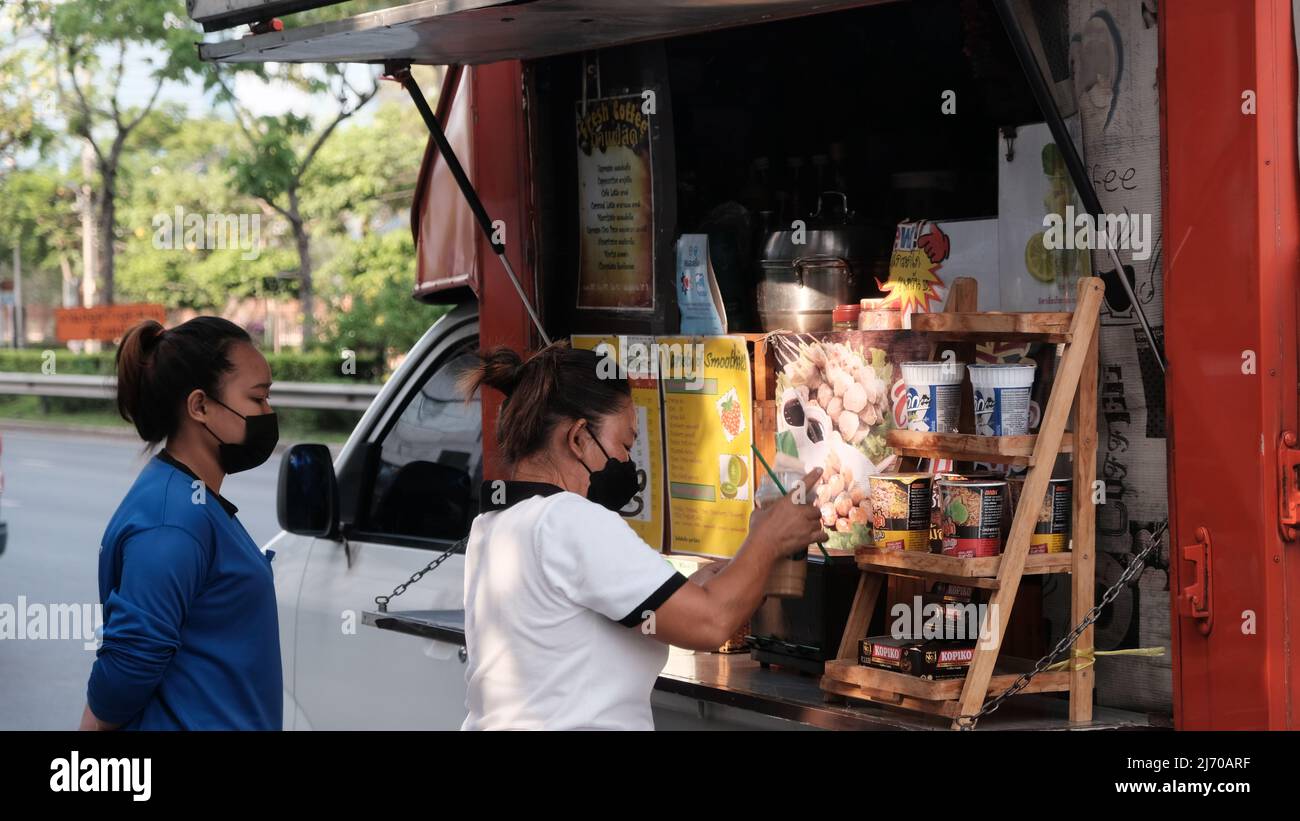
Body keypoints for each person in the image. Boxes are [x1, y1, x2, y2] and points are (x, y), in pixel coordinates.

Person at [459, 342, 826, 730]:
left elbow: (613, 614)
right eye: (625, 445)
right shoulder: (569, 520)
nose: (629, 465)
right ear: (579, 438)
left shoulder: (496, 524)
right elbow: (711, 622)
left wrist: (704, 584)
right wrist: (767, 538)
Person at [79, 317, 282, 730]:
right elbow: (129, 664)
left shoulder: (191, 499)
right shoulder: (174, 521)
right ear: (200, 406)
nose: (268, 413)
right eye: (257, 399)